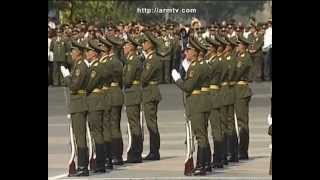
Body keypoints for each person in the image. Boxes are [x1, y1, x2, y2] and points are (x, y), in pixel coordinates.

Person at [171, 37, 210, 176]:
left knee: (200, 135)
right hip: (204, 102)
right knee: (203, 134)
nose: (186, 53)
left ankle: (201, 165)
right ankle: (205, 164)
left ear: (196, 52)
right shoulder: (203, 64)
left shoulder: (196, 66)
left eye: (189, 50)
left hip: (197, 103)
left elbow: (188, 87)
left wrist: (177, 79)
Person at [60, 41, 90, 176]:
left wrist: (66, 77)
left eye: (73, 51)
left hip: (79, 102)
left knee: (80, 136)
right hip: (78, 102)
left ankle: (83, 166)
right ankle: (82, 165)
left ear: (79, 52)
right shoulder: (78, 65)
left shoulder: (80, 66)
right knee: (79, 136)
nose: (71, 54)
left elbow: (74, 86)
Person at [85, 40, 107, 173]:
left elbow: (89, 85)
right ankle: (100, 161)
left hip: (95, 101)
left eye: (89, 51)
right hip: (97, 100)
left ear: (94, 53)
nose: (87, 53)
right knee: (97, 131)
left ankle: (100, 163)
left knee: (96, 132)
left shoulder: (96, 67)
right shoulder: (95, 66)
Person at [140, 31, 162, 161]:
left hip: (150, 92)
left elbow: (144, 78)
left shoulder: (152, 59)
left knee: (151, 124)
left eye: (145, 42)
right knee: (151, 123)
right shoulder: (150, 58)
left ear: (150, 44)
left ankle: (154, 151)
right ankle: (154, 151)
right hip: (150, 92)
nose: (143, 44)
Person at [122, 35, 144, 163]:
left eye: (126, 46)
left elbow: (127, 80)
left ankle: (136, 153)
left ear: (131, 48)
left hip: (132, 93)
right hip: (133, 93)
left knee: (134, 124)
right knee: (134, 123)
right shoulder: (132, 59)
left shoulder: (132, 61)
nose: (124, 48)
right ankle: (136, 152)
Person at [105, 35, 125, 165]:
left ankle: (115, 154)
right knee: (115, 125)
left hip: (111, 94)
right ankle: (117, 155)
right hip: (116, 92)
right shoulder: (117, 61)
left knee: (112, 126)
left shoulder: (111, 62)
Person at [205, 37, 224, 168]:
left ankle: (218, 157)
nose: (207, 49)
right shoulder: (211, 61)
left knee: (216, 129)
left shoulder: (216, 62)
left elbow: (207, 75)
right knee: (213, 129)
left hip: (214, 96)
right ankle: (217, 157)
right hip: (210, 96)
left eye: (209, 47)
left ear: (213, 49)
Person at [234, 35, 254, 160]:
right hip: (237, 91)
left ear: (244, 46)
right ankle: (240, 149)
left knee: (242, 122)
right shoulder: (238, 57)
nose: (237, 47)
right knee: (239, 122)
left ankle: (243, 151)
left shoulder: (245, 58)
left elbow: (236, 72)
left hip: (242, 91)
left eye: (239, 45)